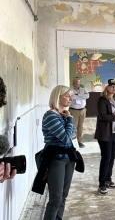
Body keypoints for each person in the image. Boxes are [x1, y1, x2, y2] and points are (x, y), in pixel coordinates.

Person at [40, 85, 80, 220]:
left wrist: (68, 119)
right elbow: (65, 138)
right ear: (58, 97)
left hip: (68, 158)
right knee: (55, 199)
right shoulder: (51, 115)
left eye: (71, 96)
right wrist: (69, 119)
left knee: (63, 196)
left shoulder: (63, 114)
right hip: (56, 159)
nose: (71, 98)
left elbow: (73, 134)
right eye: (67, 96)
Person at [94, 79, 115, 195]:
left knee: (112, 157)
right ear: (106, 88)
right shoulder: (102, 100)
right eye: (111, 86)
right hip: (105, 133)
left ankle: (108, 179)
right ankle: (101, 183)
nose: (113, 88)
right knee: (106, 158)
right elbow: (103, 116)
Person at [69, 77, 89, 148]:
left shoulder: (83, 89)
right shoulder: (70, 90)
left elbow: (87, 96)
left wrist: (78, 96)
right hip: (74, 111)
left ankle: (79, 141)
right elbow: (72, 97)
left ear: (79, 82)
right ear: (73, 83)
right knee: (74, 127)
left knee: (80, 126)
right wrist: (81, 96)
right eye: (75, 82)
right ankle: (73, 142)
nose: (77, 83)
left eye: (78, 82)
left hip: (82, 110)